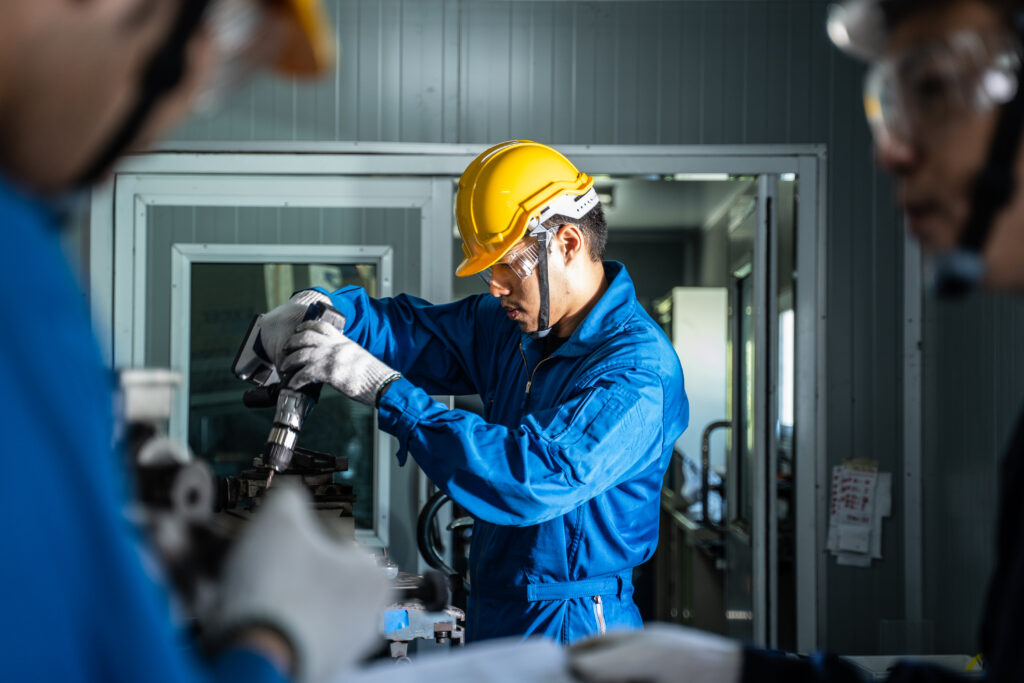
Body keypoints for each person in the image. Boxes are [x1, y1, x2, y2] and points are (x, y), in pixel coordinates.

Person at [566, 0, 1024, 681]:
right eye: (890, 101)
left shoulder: (636, 362)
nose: (893, 149)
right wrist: (749, 674)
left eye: (933, 88)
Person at [0, 1, 389, 681]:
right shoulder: (17, 267)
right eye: (197, 76)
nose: (151, 136)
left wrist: (337, 313)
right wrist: (273, 638)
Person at [256, 139, 689, 644]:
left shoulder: (637, 373)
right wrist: (330, 311)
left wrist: (386, 390)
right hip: (495, 605)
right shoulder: (516, 330)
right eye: (488, 268)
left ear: (568, 243)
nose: (495, 286)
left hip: (573, 625)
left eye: (507, 263)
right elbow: (415, 332)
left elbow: (531, 476)